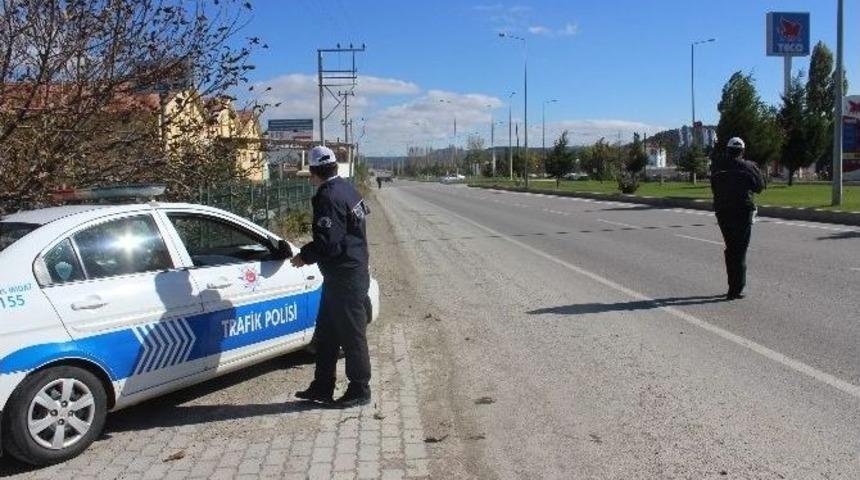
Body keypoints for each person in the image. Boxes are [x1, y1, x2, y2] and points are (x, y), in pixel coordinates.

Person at [292, 146, 372, 408]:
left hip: (345, 276)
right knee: (327, 333)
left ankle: (360, 388)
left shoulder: (328, 196)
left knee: (351, 335)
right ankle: (322, 386)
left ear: (315, 172)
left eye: (310, 174)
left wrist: (304, 255)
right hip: (345, 273)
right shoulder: (347, 189)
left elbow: (329, 243)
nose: (310, 179)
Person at [710, 137, 766, 300]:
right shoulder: (749, 166)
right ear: (742, 151)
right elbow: (760, 187)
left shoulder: (717, 167)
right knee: (739, 250)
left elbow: (714, 188)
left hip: (723, 211)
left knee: (731, 248)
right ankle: (736, 288)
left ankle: (733, 286)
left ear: (727, 150)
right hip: (742, 211)